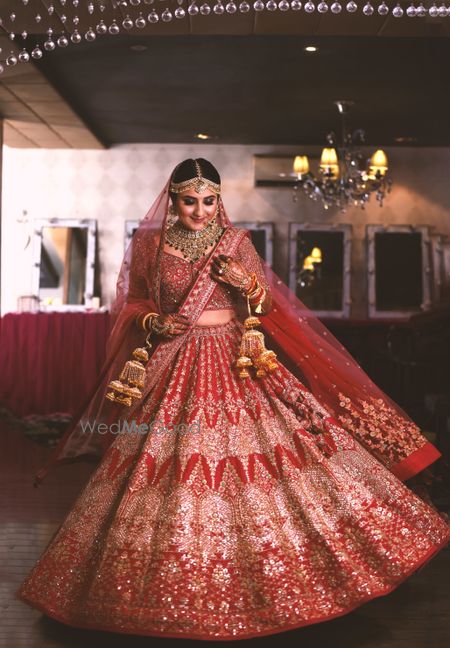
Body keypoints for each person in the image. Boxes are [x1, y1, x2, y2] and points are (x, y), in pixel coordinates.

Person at [17, 158, 449, 641]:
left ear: (218, 200)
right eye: (188, 200)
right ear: (173, 198)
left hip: (234, 361)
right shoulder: (151, 246)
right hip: (174, 358)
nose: (199, 211)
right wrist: (151, 322)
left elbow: (260, 305)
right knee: (156, 459)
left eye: (208, 201)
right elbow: (135, 300)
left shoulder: (236, 243)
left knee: (272, 459)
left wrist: (248, 286)